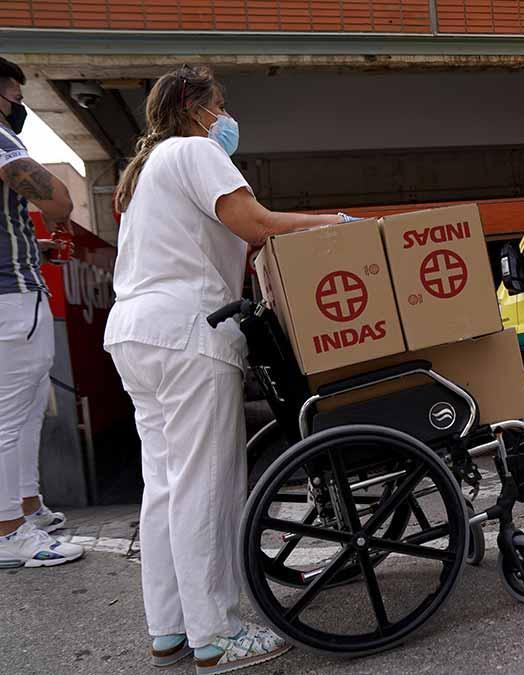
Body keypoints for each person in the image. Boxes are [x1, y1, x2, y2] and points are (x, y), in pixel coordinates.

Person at [104, 65, 347, 674]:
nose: (229, 118)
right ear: (196, 109)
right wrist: (334, 224)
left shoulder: (146, 172)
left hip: (136, 334)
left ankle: (170, 631)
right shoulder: (195, 151)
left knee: (162, 486)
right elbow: (257, 225)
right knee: (206, 485)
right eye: (223, 106)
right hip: (188, 332)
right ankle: (217, 634)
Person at [0, 57, 86, 569]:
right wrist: (55, 203)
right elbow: (59, 200)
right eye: (13, 95)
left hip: (13, 290)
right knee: (10, 416)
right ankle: (10, 528)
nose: (19, 106)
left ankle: (26, 507)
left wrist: (37, 247)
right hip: (12, 299)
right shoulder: (3, 141)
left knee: (26, 408)